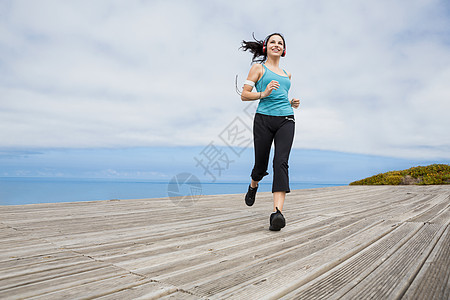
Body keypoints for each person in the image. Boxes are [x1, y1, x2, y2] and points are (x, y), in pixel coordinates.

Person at [240, 33, 300, 231]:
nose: (276, 45)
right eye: (273, 42)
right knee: (261, 164)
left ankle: (277, 213)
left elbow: (281, 96)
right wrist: (263, 93)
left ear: (284, 50)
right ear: (266, 47)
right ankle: (253, 185)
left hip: (286, 119)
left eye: (280, 43)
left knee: (280, 162)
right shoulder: (258, 68)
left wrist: (291, 103)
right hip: (264, 120)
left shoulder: (287, 75)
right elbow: (245, 95)